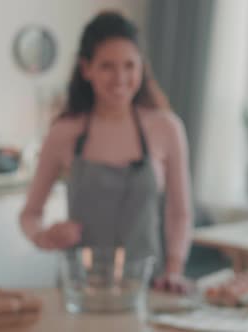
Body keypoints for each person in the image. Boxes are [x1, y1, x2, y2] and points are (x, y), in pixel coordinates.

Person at [19, 11, 192, 293]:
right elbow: (29, 215)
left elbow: (180, 213)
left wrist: (174, 270)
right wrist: (44, 235)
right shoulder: (63, 132)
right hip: (80, 291)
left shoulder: (167, 128)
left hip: (148, 288)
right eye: (107, 67)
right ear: (86, 68)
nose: (120, 78)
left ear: (142, 67)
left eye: (129, 65)